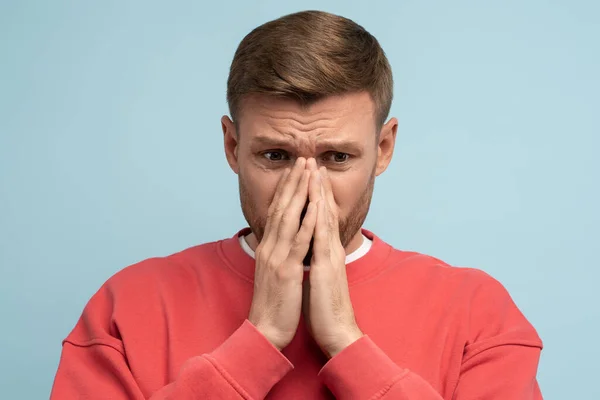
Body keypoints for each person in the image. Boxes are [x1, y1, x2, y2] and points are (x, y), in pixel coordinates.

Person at [50, 10, 543, 399]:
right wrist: (258, 340)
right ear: (231, 146)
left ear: (384, 149)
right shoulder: (127, 306)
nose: (307, 189)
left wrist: (348, 346)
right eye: (275, 155)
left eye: (336, 157)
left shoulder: (479, 314)